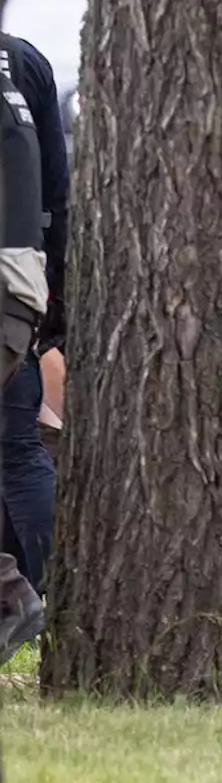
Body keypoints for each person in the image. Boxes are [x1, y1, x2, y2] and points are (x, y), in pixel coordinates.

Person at [0, 32, 66, 595]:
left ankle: (22, 596)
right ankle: (63, 601)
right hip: (22, 281)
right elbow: (57, 192)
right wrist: (57, 297)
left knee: (17, 448)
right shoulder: (24, 59)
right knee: (18, 446)